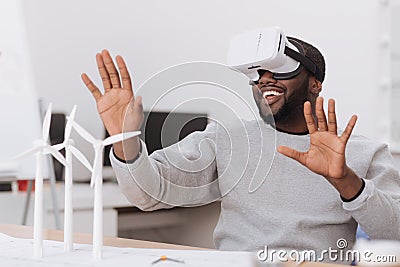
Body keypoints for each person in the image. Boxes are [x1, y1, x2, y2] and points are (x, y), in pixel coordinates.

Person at [81, 35, 400, 262]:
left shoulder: (361, 152)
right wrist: (124, 138)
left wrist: (346, 181)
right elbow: (148, 193)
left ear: (315, 82)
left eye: (279, 69)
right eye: (257, 73)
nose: (265, 80)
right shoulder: (227, 139)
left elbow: (395, 233)